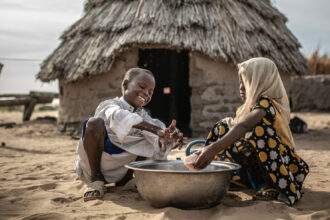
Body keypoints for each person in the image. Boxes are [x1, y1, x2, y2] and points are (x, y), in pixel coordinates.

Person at [193, 57, 309, 205]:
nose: (241, 87)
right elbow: (236, 128)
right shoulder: (246, 109)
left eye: (246, 82)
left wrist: (212, 148)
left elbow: (244, 126)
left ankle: (273, 186)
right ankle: (218, 172)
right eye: (240, 82)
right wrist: (207, 150)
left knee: (259, 130)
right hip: (255, 170)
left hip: (280, 170)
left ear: (261, 82)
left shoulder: (267, 103)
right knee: (223, 126)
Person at [75, 68, 185, 201]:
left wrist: (170, 139)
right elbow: (119, 116)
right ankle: (96, 181)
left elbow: (159, 132)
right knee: (93, 123)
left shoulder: (145, 117)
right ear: (126, 84)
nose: (146, 93)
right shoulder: (110, 104)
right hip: (96, 165)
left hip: (122, 169)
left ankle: (125, 181)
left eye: (150, 92)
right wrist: (154, 129)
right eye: (142, 87)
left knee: (151, 138)